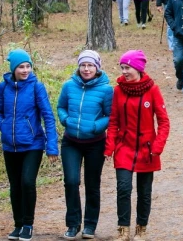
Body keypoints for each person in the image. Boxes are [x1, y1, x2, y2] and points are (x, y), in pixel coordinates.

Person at [0, 49, 59, 241]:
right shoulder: (3, 88)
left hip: (33, 144)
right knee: (15, 186)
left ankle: (28, 224)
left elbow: (48, 117)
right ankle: (18, 224)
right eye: (21, 67)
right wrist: (2, 125)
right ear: (13, 68)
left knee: (27, 182)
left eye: (28, 66)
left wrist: (51, 146)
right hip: (10, 145)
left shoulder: (37, 87)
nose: (25, 70)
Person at [104, 50, 170, 241]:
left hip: (147, 149)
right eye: (122, 67)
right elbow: (114, 120)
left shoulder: (153, 90)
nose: (124, 71)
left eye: (128, 68)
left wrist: (157, 147)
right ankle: (123, 230)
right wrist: (110, 147)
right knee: (123, 188)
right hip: (125, 147)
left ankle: (141, 229)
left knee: (144, 192)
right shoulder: (118, 90)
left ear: (139, 68)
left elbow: (164, 122)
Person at [57, 50, 113, 240]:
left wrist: (97, 126)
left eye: (90, 65)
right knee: (71, 182)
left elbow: (111, 115)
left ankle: (89, 225)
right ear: (78, 67)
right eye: (83, 65)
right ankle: (73, 224)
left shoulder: (106, 90)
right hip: (71, 142)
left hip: (95, 143)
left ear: (97, 67)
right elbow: (61, 107)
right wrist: (66, 120)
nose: (86, 69)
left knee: (92, 184)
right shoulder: (68, 86)